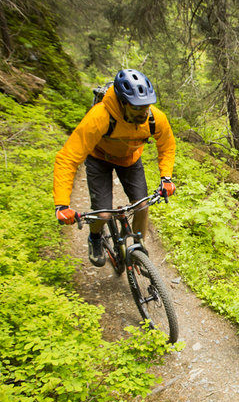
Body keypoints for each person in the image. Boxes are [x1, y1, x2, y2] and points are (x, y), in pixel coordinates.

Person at [53, 69, 176, 266]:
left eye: (146, 106)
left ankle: (139, 247)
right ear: (122, 102)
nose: (144, 112)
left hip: (130, 159)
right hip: (99, 159)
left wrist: (166, 178)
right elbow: (68, 158)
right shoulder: (99, 117)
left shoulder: (155, 118)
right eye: (137, 108)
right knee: (103, 213)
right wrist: (62, 204)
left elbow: (167, 146)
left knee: (142, 206)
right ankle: (95, 237)